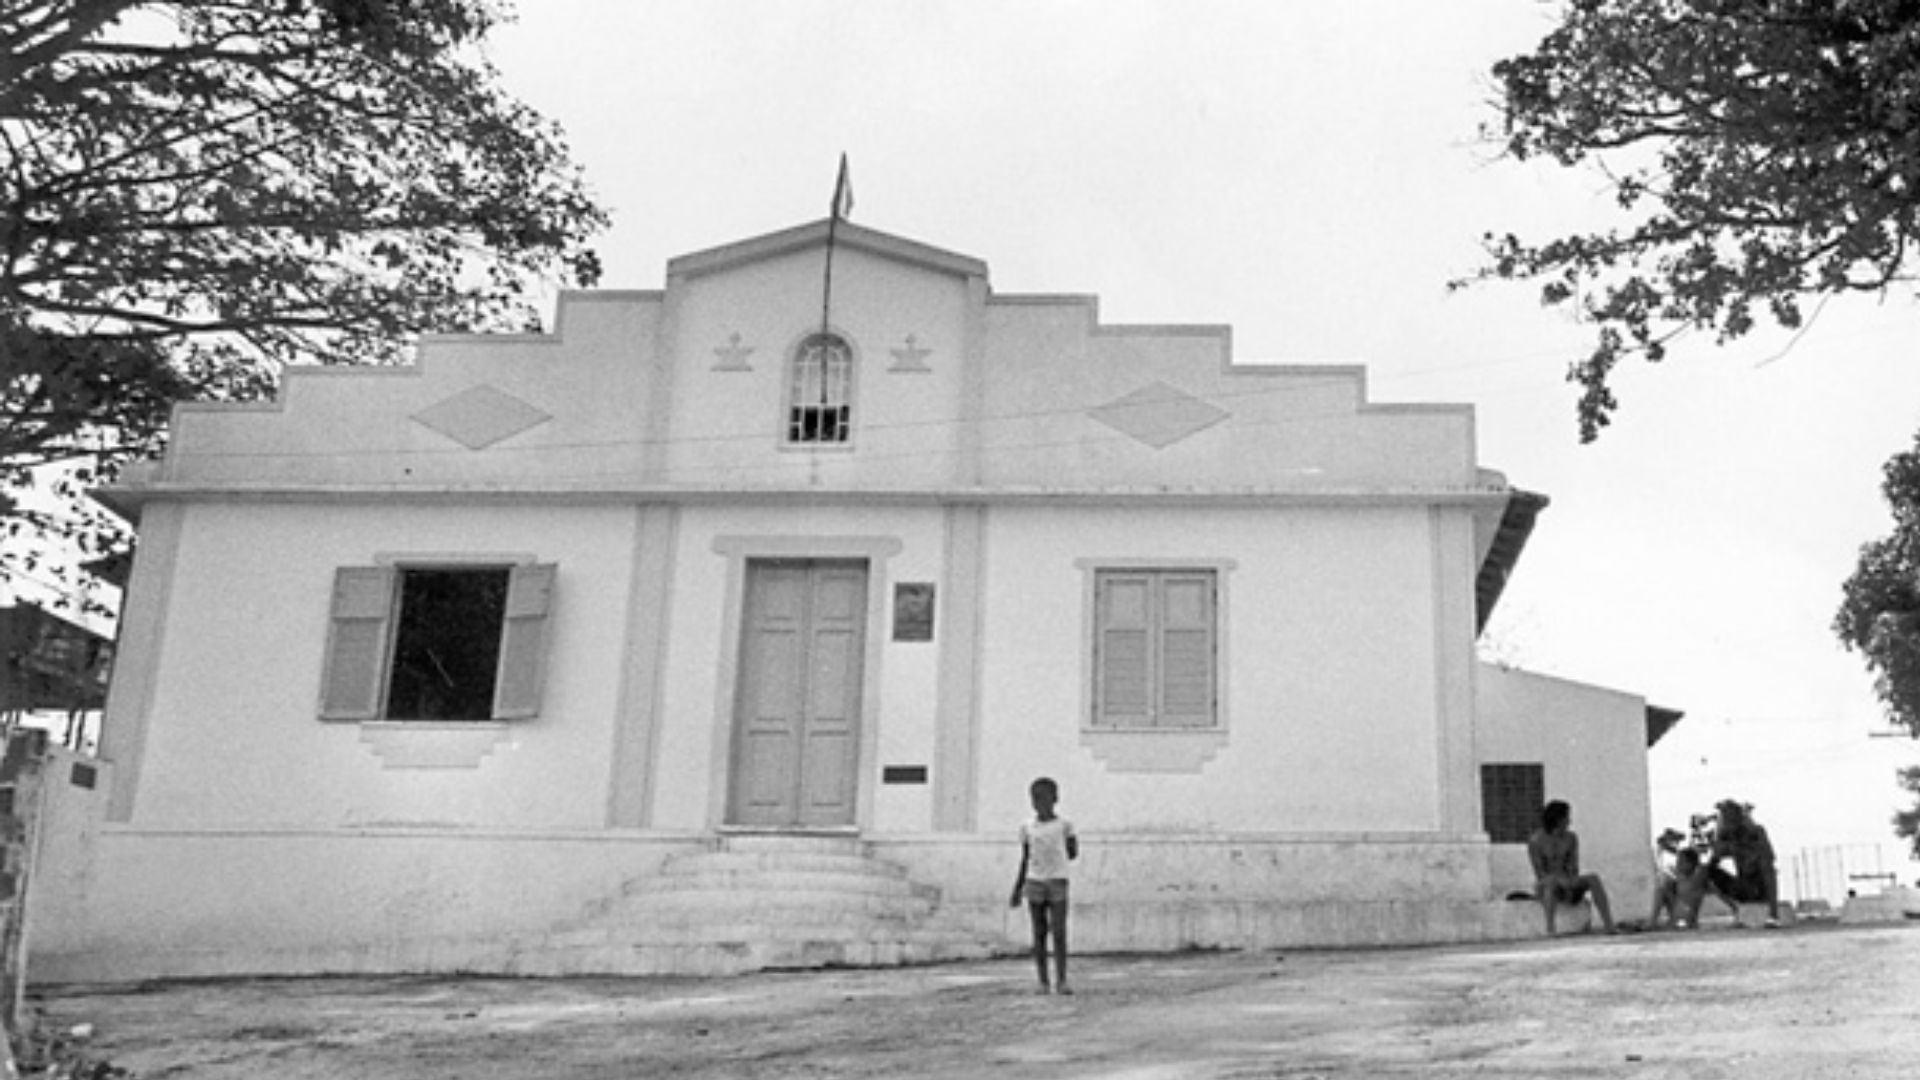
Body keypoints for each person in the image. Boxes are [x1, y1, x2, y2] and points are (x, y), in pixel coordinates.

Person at [1010, 776, 1078, 994]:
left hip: (1058, 880)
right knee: (1039, 933)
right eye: (1036, 799)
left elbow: (1073, 852)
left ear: (1055, 799)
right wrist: (1018, 887)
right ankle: (1042, 980)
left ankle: (1062, 979)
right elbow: (1025, 858)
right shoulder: (1027, 827)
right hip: (1034, 882)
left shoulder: (1064, 825)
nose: (1040, 803)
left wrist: (1065, 849)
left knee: (1058, 932)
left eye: (1044, 798)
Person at [1526, 799, 1616, 935]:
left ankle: (1609, 925)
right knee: (1550, 884)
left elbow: (1573, 865)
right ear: (1557, 819)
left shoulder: (1571, 838)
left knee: (1593, 878)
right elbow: (1540, 873)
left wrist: (1570, 881)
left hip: (1568, 880)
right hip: (1548, 884)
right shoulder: (1536, 840)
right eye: (1566, 818)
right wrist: (1557, 879)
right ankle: (1551, 928)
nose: (1569, 821)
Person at [1693, 798, 1785, 928]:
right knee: (1706, 870)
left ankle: (1773, 914)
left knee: (1767, 866)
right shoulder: (1728, 836)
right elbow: (1715, 858)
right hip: (1744, 887)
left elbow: (1769, 863)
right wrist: (1718, 838)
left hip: (1760, 887)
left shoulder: (1756, 833)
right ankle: (1734, 910)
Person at [1648, 827, 1686, 928]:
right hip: (1672, 887)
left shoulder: (1679, 854)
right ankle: (1656, 920)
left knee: (1663, 885)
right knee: (1662, 884)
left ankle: (1653, 921)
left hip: (1679, 889)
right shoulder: (1662, 851)